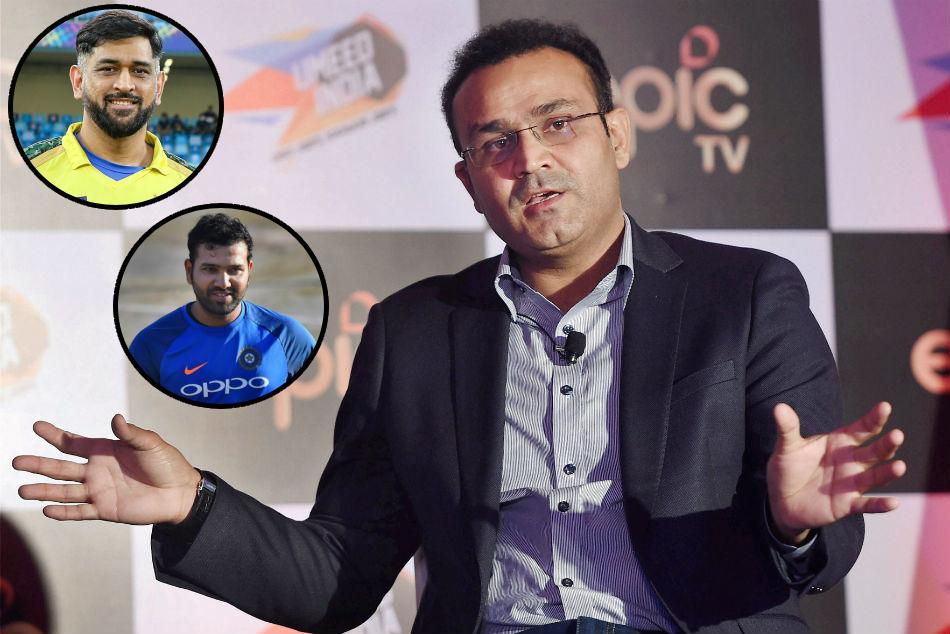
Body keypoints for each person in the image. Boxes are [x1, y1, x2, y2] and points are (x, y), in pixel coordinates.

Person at [13, 20, 906, 634]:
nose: (533, 159)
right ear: (468, 179)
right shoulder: (414, 332)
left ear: (618, 136)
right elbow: (340, 575)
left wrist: (792, 523)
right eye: (496, 143)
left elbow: (823, 542)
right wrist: (194, 505)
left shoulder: (744, 294)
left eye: (559, 124)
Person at [127, 213, 316, 405]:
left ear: (249, 270)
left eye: (234, 270)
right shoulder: (150, 345)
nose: (223, 282)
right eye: (210, 269)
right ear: (189, 271)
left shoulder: (287, 336)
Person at [23, 10, 193, 205]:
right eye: (108, 69)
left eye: (140, 71)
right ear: (78, 82)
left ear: (159, 87)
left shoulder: (189, 183)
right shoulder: (29, 169)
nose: (125, 85)